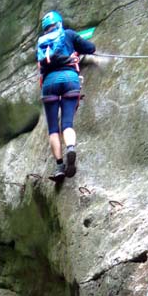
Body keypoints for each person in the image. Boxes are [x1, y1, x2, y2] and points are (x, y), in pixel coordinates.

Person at [37, 11, 96, 182]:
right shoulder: (68, 34)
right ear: (59, 22)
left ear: (45, 28)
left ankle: (59, 166)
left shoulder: (42, 44)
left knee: (53, 129)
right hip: (70, 79)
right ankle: (70, 147)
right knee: (67, 123)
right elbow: (90, 48)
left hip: (49, 83)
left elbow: (40, 66)